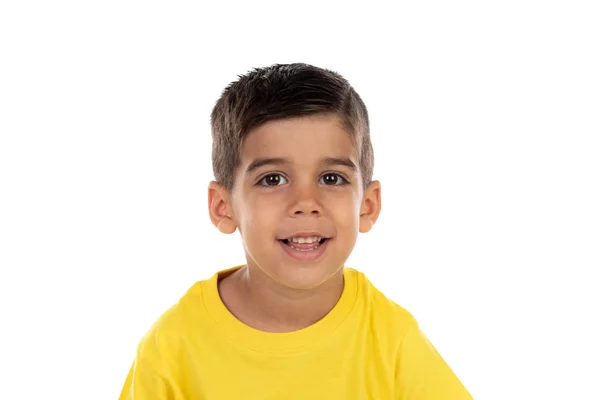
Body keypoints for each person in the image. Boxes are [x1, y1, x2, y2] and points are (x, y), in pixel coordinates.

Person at [118, 63, 472, 399]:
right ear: (222, 207)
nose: (306, 202)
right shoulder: (173, 345)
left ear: (368, 205)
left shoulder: (392, 339)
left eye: (331, 178)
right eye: (273, 179)